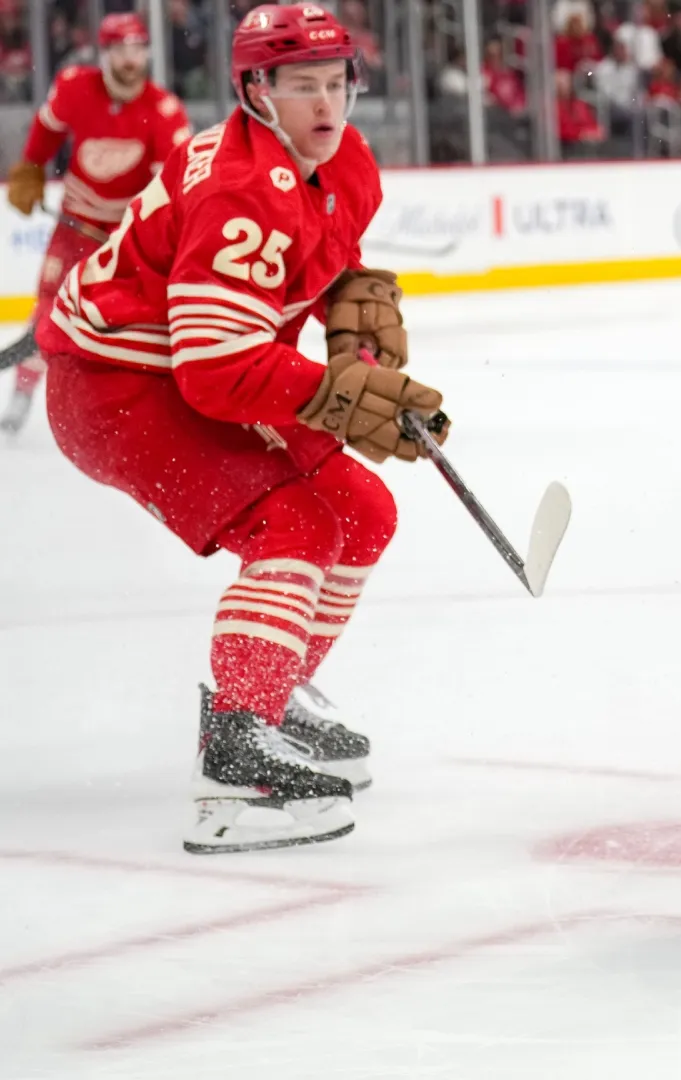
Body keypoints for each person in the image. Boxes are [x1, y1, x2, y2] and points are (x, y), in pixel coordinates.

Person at [34, 4, 447, 853]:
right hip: (116, 388)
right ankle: (234, 767)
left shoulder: (345, 160)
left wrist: (354, 328)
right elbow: (217, 370)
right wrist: (345, 396)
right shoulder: (240, 193)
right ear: (256, 89)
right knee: (291, 524)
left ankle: (270, 694)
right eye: (303, 87)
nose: (326, 107)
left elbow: (329, 267)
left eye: (336, 85)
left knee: (364, 513)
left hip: (177, 368)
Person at [3, 14, 189, 438]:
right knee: (48, 312)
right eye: (121, 50)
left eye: (139, 49)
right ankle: (23, 396)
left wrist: (153, 239)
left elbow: (173, 189)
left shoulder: (164, 112)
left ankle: (124, 410)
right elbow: (47, 128)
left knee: (130, 325)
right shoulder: (75, 86)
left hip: (127, 238)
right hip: (74, 225)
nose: (131, 59)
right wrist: (31, 167)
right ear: (103, 54)